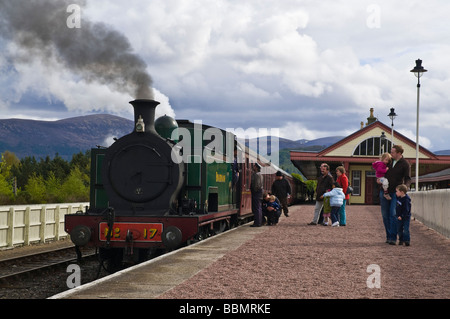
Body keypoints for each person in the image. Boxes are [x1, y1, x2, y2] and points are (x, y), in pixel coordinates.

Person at [379, 145, 411, 245]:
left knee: (393, 214)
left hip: (396, 193)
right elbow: (379, 170)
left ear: (399, 153)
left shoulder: (405, 164)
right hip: (384, 191)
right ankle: (388, 236)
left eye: (392, 152)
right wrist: (379, 178)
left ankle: (393, 237)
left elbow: (408, 178)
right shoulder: (388, 161)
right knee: (385, 215)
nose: (391, 153)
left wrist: (404, 189)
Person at [250, 163, 264, 227]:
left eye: (254, 166)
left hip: (257, 193)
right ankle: (258, 222)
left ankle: (257, 223)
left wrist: (254, 191)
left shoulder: (257, 175)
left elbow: (257, 185)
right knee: (258, 208)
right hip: (259, 193)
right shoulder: (260, 175)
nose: (253, 167)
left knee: (257, 208)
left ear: (256, 167)